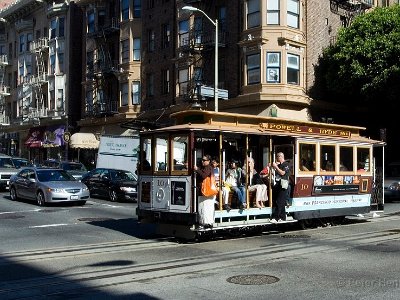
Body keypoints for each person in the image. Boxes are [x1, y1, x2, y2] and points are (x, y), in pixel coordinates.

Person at [193, 155, 216, 228]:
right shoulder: (204, 167)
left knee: (205, 208)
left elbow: (203, 175)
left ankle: (207, 223)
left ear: (208, 161)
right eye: (202, 160)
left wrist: (197, 169)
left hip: (207, 193)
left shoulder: (208, 167)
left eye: (204, 160)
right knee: (203, 208)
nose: (202, 161)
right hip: (203, 192)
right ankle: (204, 223)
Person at [270, 152, 290, 223]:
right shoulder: (280, 165)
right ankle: (283, 217)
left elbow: (282, 173)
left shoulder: (286, 164)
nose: (276, 159)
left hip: (283, 185)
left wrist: (276, 167)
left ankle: (276, 218)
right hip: (278, 184)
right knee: (281, 202)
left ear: (280, 157)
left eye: (277, 157)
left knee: (279, 201)